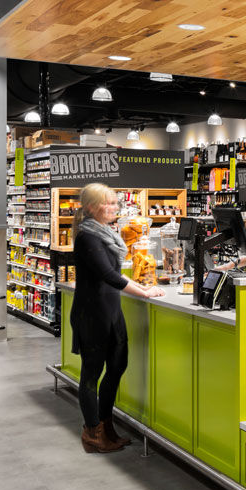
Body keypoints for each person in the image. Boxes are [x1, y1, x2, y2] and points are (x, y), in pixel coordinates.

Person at [71, 183, 165, 454]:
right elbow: (108, 276)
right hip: (92, 314)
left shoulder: (105, 234)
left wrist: (143, 287)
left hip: (110, 312)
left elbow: (115, 272)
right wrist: (144, 293)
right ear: (90, 207)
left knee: (116, 367)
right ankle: (92, 433)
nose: (114, 208)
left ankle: (106, 425)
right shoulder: (87, 237)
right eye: (107, 203)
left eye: (115, 203)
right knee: (91, 374)